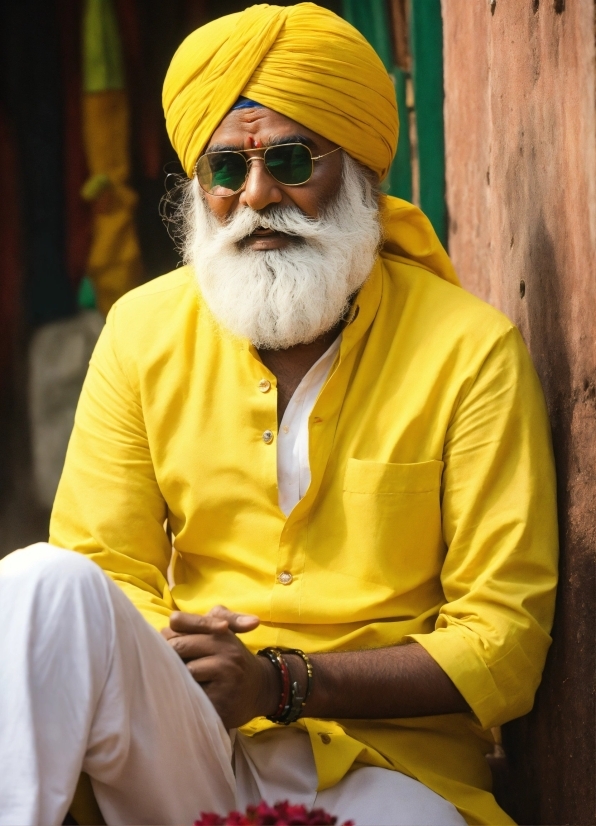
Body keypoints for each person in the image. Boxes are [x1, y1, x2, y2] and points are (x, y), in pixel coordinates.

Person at [0, 5, 558, 826]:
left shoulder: (471, 351)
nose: (258, 196)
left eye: (292, 160)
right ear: (200, 187)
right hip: (194, 745)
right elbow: (105, 567)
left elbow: (503, 644)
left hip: (391, 768)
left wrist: (282, 680)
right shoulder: (141, 330)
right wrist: (185, 649)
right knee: (39, 582)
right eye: (226, 170)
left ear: (359, 170)